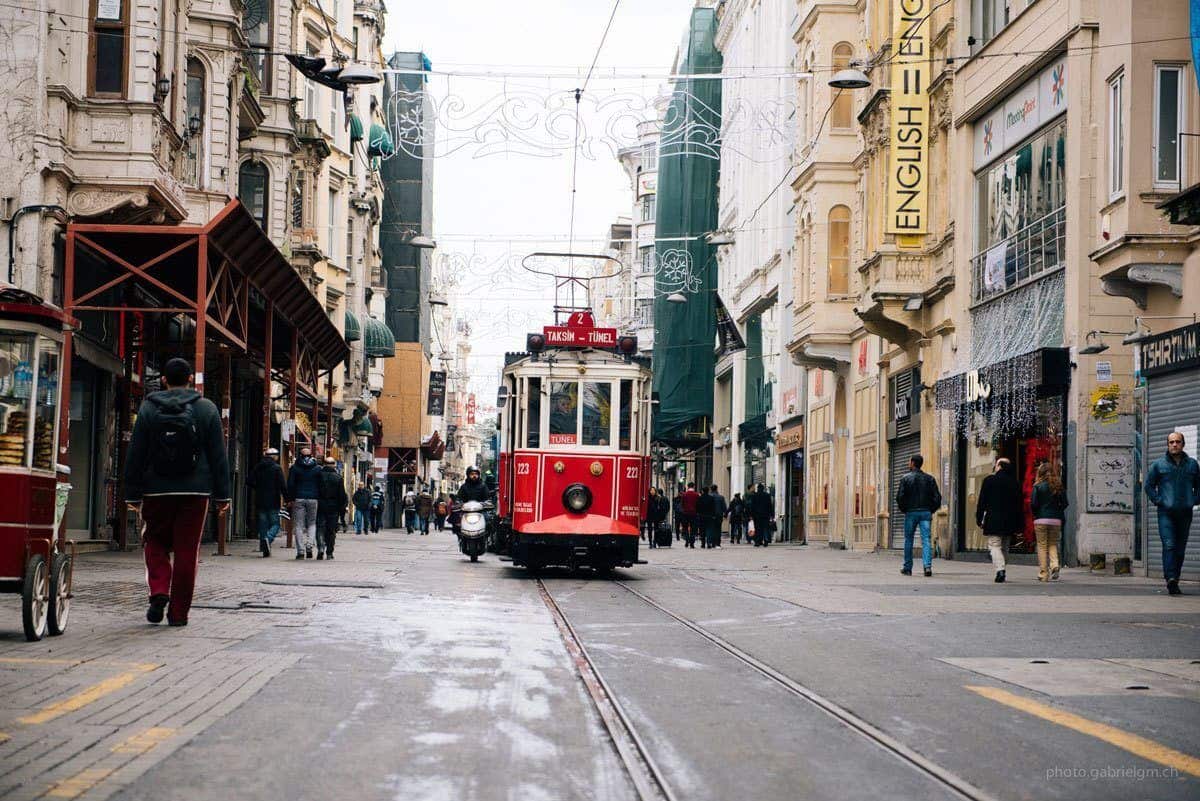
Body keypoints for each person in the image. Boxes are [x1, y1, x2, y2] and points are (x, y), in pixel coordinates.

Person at [124, 357, 230, 627]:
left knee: (154, 541)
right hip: (195, 492)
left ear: (163, 379)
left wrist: (132, 494)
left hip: (156, 489)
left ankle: (159, 590)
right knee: (187, 550)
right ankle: (179, 614)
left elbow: (135, 453)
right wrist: (222, 496)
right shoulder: (206, 409)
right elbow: (219, 455)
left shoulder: (148, 407)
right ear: (191, 380)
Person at [1145, 431, 1200, 596]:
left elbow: (1199, 485)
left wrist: (1194, 500)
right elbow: (1148, 486)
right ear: (1168, 445)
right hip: (1166, 513)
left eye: (1177, 442)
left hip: (1185, 513)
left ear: (1183, 444)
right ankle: (1170, 579)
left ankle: (1175, 577)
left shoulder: (1192, 465)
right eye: (1171, 442)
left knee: (1180, 549)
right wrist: (1158, 500)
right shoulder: (1159, 465)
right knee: (1169, 545)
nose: (1174, 445)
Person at [976, 457, 1023, 583]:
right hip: (1010, 521)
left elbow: (982, 502)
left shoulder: (989, 480)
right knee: (1005, 547)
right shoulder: (1015, 483)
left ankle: (1000, 570)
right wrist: (1020, 524)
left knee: (994, 546)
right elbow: (1019, 505)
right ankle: (1002, 568)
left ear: (999, 466)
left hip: (993, 520)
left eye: (996, 464)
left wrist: (979, 518)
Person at [895, 454, 942, 577]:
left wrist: (905, 509)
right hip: (925, 512)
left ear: (912, 463)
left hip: (911, 512)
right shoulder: (930, 479)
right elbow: (937, 498)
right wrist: (931, 510)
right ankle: (927, 567)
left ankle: (907, 567)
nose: (908, 463)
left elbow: (900, 497)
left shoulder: (905, 478)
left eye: (909, 461)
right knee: (926, 539)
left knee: (908, 539)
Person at [1030, 462, 1067, 582]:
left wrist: (1037, 514)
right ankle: (1055, 564)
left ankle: (1044, 573)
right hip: (1055, 520)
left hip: (1041, 519)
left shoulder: (1038, 486)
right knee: (1052, 543)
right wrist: (1057, 510)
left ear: (1040, 473)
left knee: (1042, 546)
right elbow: (1065, 503)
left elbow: (1034, 504)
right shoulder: (1058, 486)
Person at [248, 447, 288, 557]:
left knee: (263, 524)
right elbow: (283, 485)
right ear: (274, 456)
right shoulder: (277, 468)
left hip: (260, 499)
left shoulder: (258, 467)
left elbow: (249, 481)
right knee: (275, 524)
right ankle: (268, 539)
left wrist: (258, 488)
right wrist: (287, 498)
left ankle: (263, 545)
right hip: (273, 500)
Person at [287, 445, 322, 559]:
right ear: (311, 456)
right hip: (313, 499)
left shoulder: (295, 468)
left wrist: (290, 499)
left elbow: (290, 485)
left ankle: (301, 551)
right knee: (312, 523)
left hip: (299, 498)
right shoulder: (317, 469)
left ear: (299, 456)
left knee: (298, 525)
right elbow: (321, 485)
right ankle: (309, 546)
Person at [317, 457, 347, 559]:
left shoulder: (318, 476)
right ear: (334, 465)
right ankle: (329, 552)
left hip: (320, 505)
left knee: (320, 527)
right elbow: (342, 495)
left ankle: (320, 547)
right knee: (331, 530)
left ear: (324, 464)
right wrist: (342, 510)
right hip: (333, 507)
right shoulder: (338, 478)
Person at [679, 482, 700, 548]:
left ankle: (687, 541)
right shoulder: (696, 495)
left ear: (688, 487)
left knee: (685, 528)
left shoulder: (684, 495)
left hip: (685, 514)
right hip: (694, 514)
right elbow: (698, 505)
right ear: (693, 486)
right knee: (693, 529)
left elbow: (682, 504)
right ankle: (692, 543)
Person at [708, 484, 727, 548]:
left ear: (711, 489)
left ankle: (711, 542)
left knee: (711, 529)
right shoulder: (721, 497)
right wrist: (725, 514)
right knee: (718, 529)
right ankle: (718, 543)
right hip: (719, 515)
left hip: (710, 515)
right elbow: (724, 507)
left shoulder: (709, 496)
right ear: (716, 489)